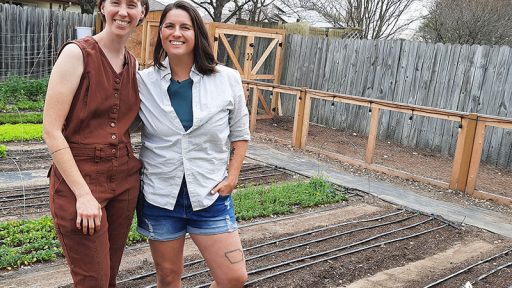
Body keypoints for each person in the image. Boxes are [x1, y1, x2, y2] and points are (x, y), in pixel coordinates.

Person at [135, 1, 250, 287]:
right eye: (170, 26)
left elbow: (240, 133)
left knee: (233, 277)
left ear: (197, 33)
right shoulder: (142, 82)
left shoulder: (226, 79)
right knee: (168, 278)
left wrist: (233, 176)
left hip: (210, 195)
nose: (177, 33)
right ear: (160, 32)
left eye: (185, 27)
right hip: (160, 197)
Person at [43, 0, 148, 286]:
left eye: (133, 5)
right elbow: (51, 130)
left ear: (142, 13)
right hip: (80, 181)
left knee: (108, 278)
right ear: (102, 7)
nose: (123, 11)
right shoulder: (77, 54)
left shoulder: (133, 63)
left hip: (125, 182)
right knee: (93, 281)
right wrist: (83, 194)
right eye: (116, 2)